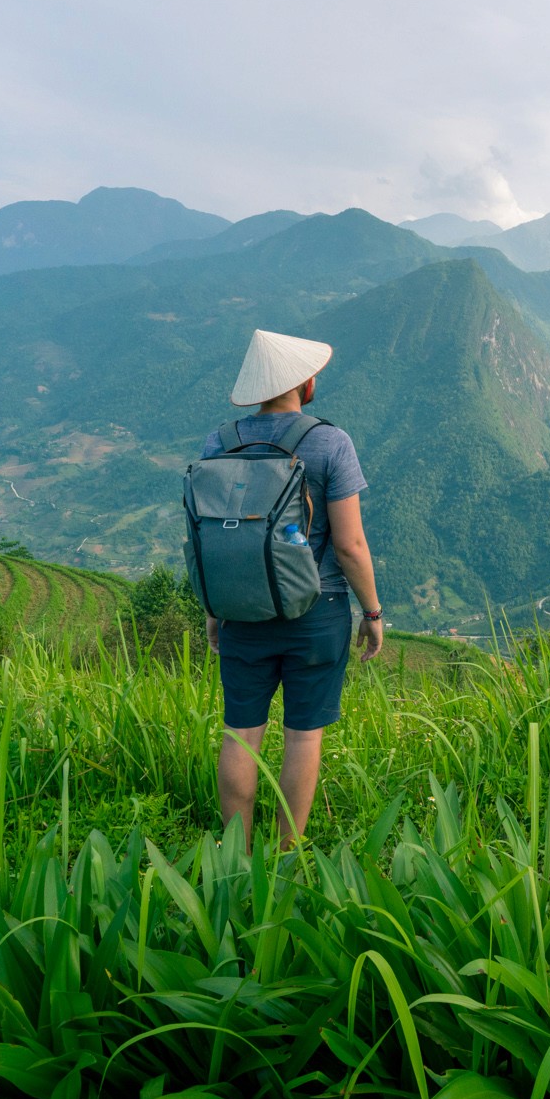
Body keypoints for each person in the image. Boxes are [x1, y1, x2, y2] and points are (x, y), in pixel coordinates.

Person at [205, 329, 383, 848]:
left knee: (241, 733)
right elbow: (350, 545)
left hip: (240, 608)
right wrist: (371, 614)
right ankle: (287, 856)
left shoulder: (220, 441)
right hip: (317, 609)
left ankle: (234, 852)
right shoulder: (330, 442)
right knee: (303, 736)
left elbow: (212, 534)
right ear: (304, 384)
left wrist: (215, 608)